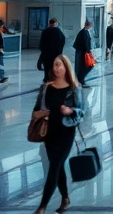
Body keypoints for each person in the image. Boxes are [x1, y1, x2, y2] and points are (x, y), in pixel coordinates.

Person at [33, 54, 85, 214]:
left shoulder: (74, 88)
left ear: (66, 67)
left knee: (54, 166)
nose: (56, 69)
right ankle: (65, 197)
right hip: (49, 131)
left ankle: (42, 206)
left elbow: (82, 111)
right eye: (54, 65)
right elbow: (36, 109)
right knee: (58, 165)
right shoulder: (46, 87)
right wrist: (40, 114)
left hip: (66, 131)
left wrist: (70, 110)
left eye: (59, 65)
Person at [38, 18, 66, 83]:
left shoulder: (45, 31)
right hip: (56, 54)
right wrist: (59, 51)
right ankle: (54, 78)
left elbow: (41, 43)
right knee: (54, 66)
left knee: (47, 67)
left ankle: (46, 78)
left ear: (49, 23)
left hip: (46, 53)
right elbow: (62, 41)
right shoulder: (59, 32)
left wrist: (43, 50)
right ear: (55, 23)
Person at [72, 21, 94, 88]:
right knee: (84, 66)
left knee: (85, 66)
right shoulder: (83, 32)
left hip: (83, 52)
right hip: (82, 52)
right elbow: (85, 43)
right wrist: (88, 51)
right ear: (89, 25)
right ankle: (80, 79)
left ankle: (81, 79)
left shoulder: (85, 32)